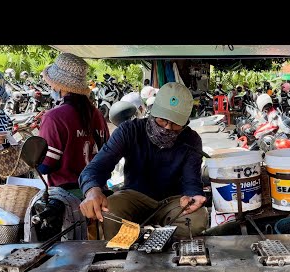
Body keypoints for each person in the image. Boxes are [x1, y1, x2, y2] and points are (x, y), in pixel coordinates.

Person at [79, 82, 208, 240]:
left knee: (198, 218)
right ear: (152, 112)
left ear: (185, 122)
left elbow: (192, 181)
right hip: (134, 197)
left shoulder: (191, 139)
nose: (167, 127)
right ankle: (120, 256)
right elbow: (96, 168)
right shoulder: (129, 131)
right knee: (108, 210)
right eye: (162, 120)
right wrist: (92, 191)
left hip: (172, 202)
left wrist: (193, 197)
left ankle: (161, 249)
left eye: (175, 124)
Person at [38, 52, 109, 199]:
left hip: (68, 199)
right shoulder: (97, 114)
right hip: (100, 194)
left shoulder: (54, 117)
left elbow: (45, 166)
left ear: (58, 85)